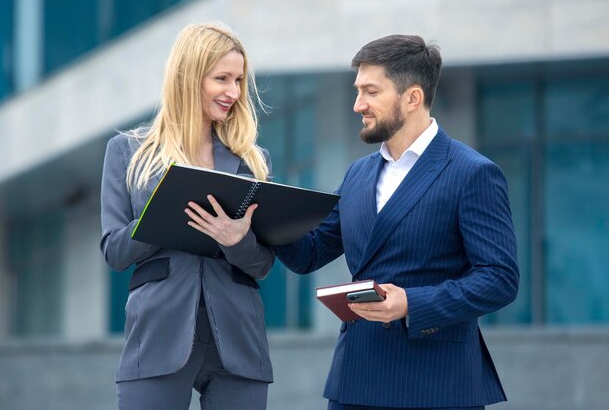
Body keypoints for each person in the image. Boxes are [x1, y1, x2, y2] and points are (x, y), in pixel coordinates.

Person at [274, 34, 519, 410]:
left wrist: (411, 303)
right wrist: (258, 217)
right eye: (357, 91)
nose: (358, 105)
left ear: (412, 98)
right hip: (354, 382)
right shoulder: (358, 173)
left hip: (436, 384)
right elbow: (309, 252)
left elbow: (499, 279)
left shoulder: (472, 173)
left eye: (370, 92)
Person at [100, 22, 274, 410]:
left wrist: (237, 240)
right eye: (222, 78)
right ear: (189, 76)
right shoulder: (128, 152)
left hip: (238, 338)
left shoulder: (252, 162)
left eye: (239, 80)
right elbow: (114, 251)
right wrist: (166, 209)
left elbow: (262, 264)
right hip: (158, 334)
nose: (233, 92)